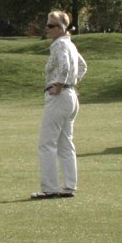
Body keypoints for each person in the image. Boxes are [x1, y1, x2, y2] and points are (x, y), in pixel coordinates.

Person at [33, 10, 86, 200]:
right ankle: (69, 186)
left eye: (51, 26)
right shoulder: (70, 44)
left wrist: (61, 84)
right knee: (65, 143)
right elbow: (82, 66)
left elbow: (64, 66)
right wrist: (72, 83)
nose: (47, 29)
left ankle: (50, 188)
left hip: (59, 96)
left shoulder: (59, 45)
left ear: (63, 28)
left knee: (46, 143)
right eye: (47, 25)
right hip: (70, 97)